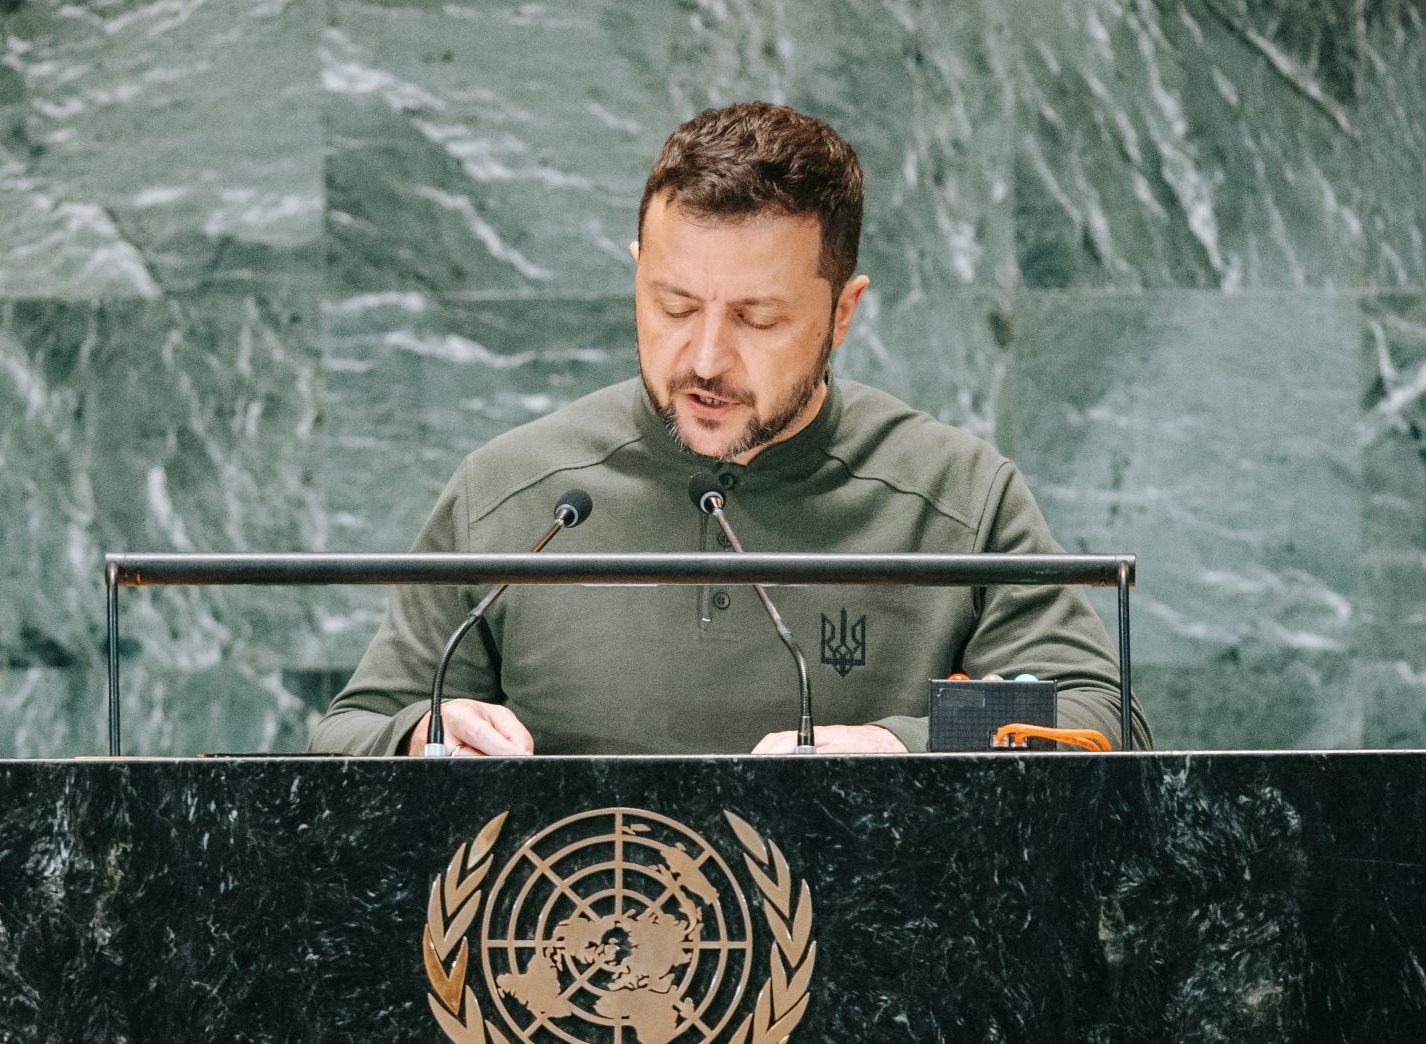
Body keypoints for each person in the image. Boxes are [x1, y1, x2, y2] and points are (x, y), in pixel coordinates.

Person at [310, 101, 1152, 757]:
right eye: (674, 307)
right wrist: (424, 734)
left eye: (757, 319)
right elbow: (350, 733)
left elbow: (1095, 715)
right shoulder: (510, 491)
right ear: (638, 275)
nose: (705, 358)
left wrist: (903, 744)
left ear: (842, 314)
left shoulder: (958, 496)